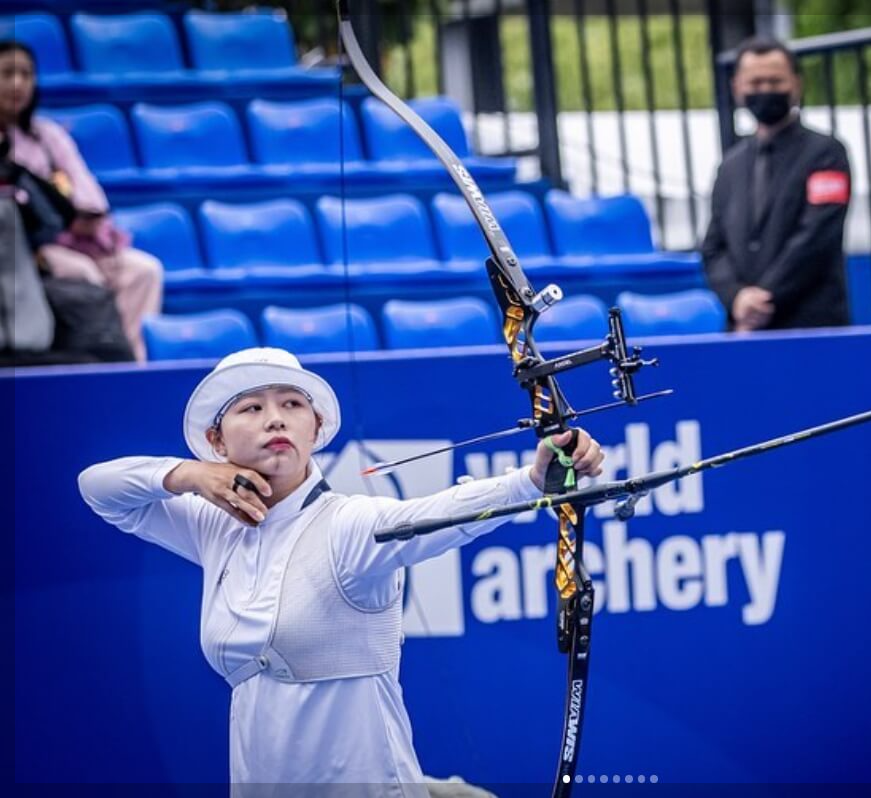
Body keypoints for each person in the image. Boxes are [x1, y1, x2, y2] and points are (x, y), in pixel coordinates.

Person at [78, 347, 606, 794]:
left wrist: (529, 481)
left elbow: (435, 515)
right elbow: (98, 488)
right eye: (251, 408)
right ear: (217, 441)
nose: (275, 419)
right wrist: (190, 475)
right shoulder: (214, 525)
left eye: (291, 404)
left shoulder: (348, 524)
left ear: (316, 427)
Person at [0, 40, 162, 361]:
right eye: (7, 74)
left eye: (26, 74)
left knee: (144, 271)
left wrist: (80, 214)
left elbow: (90, 196)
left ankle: (133, 367)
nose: (18, 84)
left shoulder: (47, 135)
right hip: (33, 251)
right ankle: (101, 365)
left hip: (83, 239)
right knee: (86, 276)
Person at [701, 36, 852, 331]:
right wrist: (736, 298)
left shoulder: (826, 154)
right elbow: (713, 247)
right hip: (744, 331)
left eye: (775, 81)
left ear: (796, 84)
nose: (765, 90)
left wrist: (761, 301)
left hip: (811, 326)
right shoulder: (730, 165)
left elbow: (816, 237)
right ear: (737, 87)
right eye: (755, 82)